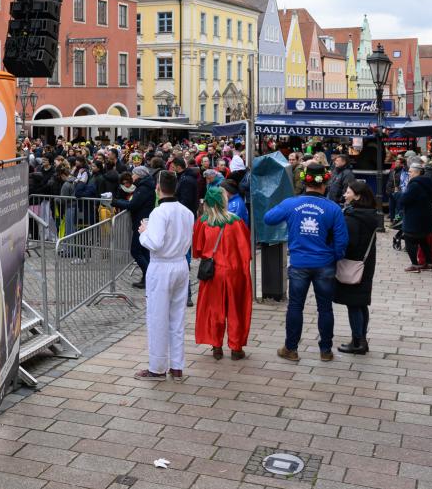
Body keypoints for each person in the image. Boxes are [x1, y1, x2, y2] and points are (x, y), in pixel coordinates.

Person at [264, 161, 348, 361]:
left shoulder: (291, 203)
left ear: (304, 181)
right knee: (325, 308)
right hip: (324, 263)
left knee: (295, 306)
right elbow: (341, 241)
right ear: (325, 183)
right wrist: (333, 257)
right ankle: (325, 351)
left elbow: (268, 218)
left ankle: (291, 348)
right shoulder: (333, 208)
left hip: (300, 263)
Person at [134, 169, 194, 381]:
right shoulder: (187, 212)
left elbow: (155, 243)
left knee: (157, 317)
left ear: (158, 188)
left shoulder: (159, 212)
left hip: (162, 266)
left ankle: (157, 367)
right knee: (177, 317)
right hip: (180, 264)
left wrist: (144, 233)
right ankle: (176, 366)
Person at [193, 184, 251, 360]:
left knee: (214, 309)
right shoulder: (236, 222)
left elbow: (197, 250)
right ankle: (235, 347)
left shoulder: (203, 223)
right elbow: (246, 251)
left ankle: (216, 346)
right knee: (236, 310)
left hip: (212, 273)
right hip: (234, 272)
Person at [334, 180, 378, 355]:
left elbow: (348, 243)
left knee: (354, 304)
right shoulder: (368, 214)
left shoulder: (353, 218)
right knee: (360, 303)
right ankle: (361, 340)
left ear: (358, 196)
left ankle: (357, 342)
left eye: (349, 192)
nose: (345, 195)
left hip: (353, 265)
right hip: (365, 265)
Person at [113, 165, 155, 288]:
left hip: (141, 222)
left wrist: (115, 202)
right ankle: (147, 277)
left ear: (139, 175)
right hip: (142, 220)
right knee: (143, 250)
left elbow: (133, 205)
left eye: (134, 174)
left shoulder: (144, 188)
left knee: (136, 250)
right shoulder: (144, 186)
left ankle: (150, 276)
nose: (132, 176)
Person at [399, 162, 432, 271]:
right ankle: (429, 263)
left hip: (414, 217)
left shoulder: (415, 184)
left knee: (409, 239)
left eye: (410, 171)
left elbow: (404, 200)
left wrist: (400, 196)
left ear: (417, 172)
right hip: (426, 216)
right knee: (422, 240)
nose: (409, 173)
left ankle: (415, 264)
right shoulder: (429, 182)